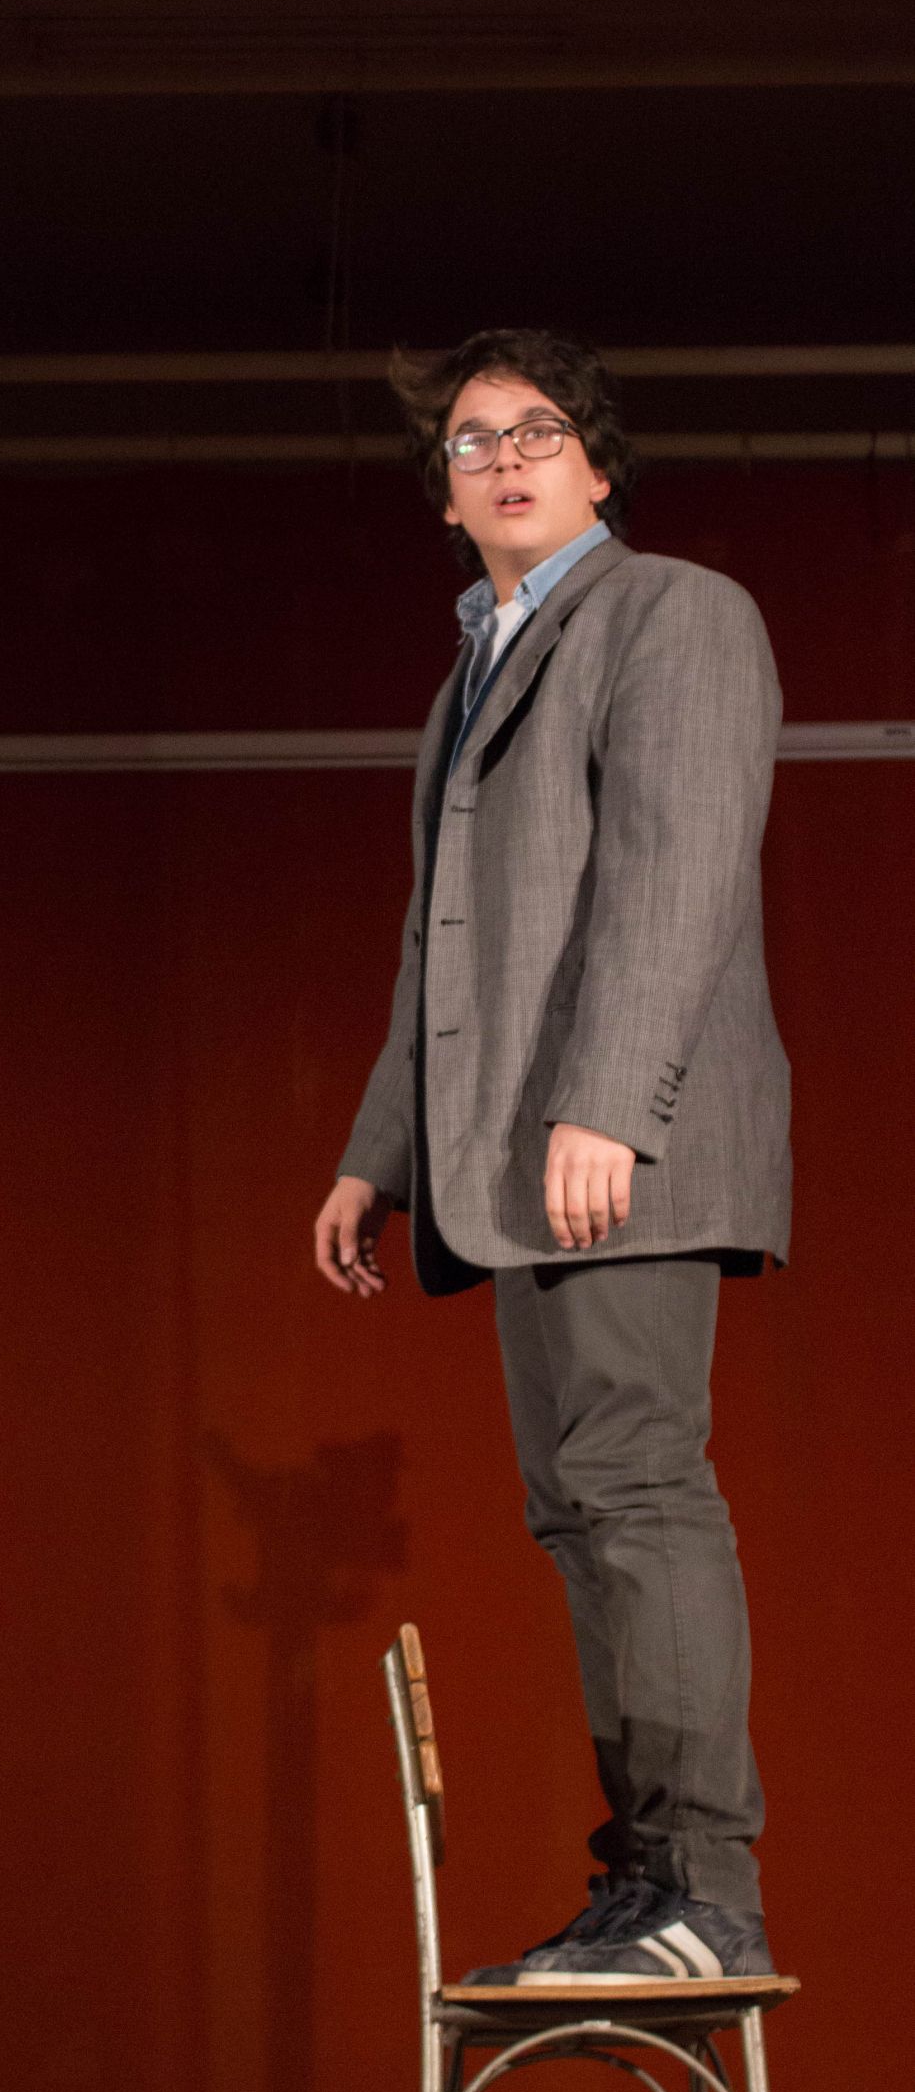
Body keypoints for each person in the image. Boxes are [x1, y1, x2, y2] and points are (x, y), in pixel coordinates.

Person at [315, 329, 788, 1984]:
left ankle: (703, 1890)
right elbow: (442, 950)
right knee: (583, 1511)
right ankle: (648, 1876)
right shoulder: (474, 672)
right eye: (471, 442)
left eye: (537, 431)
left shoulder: (672, 612)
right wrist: (380, 1153)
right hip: (514, 1158)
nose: (505, 458)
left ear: (596, 463)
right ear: (442, 496)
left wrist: (611, 1103)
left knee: (638, 1488)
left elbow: (677, 869)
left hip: (616, 1145)